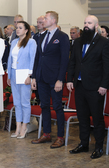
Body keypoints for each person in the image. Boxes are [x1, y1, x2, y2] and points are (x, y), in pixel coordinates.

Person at [67, 15, 109, 159]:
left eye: (89, 23)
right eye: (85, 22)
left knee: (97, 119)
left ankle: (98, 147)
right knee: (82, 117)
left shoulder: (103, 43)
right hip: (79, 86)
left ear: (96, 25)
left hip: (96, 87)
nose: (86, 25)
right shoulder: (78, 41)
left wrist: (104, 85)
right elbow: (72, 62)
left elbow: (107, 66)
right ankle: (83, 144)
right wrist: (69, 80)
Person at [31, 11, 70, 148]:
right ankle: (46, 134)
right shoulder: (42, 36)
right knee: (44, 106)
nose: (43, 20)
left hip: (55, 79)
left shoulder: (62, 37)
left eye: (46, 18)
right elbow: (38, 58)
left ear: (53, 20)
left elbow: (65, 60)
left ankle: (60, 137)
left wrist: (60, 79)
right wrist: (34, 77)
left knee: (58, 107)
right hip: (41, 78)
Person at [7, 21, 37, 138]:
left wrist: (30, 75)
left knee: (24, 102)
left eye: (20, 28)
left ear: (26, 30)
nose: (17, 30)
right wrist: (9, 75)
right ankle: (18, 126)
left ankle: (25, 126)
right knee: (17, 102)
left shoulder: (31, 42)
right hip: (14, 73)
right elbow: (10, 59)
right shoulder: (14, 42)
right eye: (16, 28)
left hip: (24, 74)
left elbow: (33, 59)